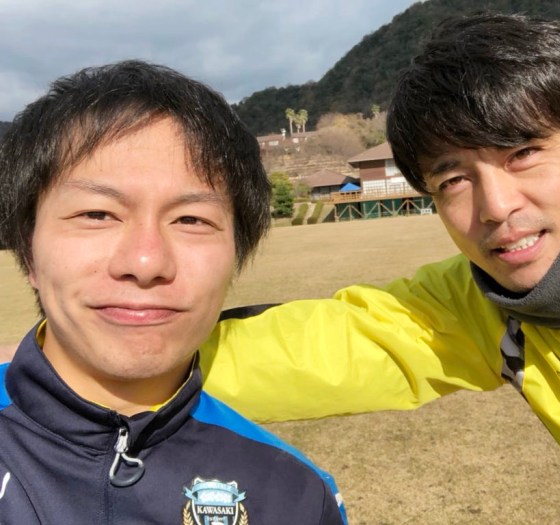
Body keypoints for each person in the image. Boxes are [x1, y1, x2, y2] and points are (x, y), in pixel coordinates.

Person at [197, 13, 560, 525]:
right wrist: (145, 357)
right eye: (454, 180)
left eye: (524, 153)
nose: (496, 207)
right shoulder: (481, 308)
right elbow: (315, 349)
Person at [0, 60, 346, 524]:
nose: (146, 263)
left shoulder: (295, 494)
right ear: (28, 248)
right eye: (97, 214)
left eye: (191, 219)